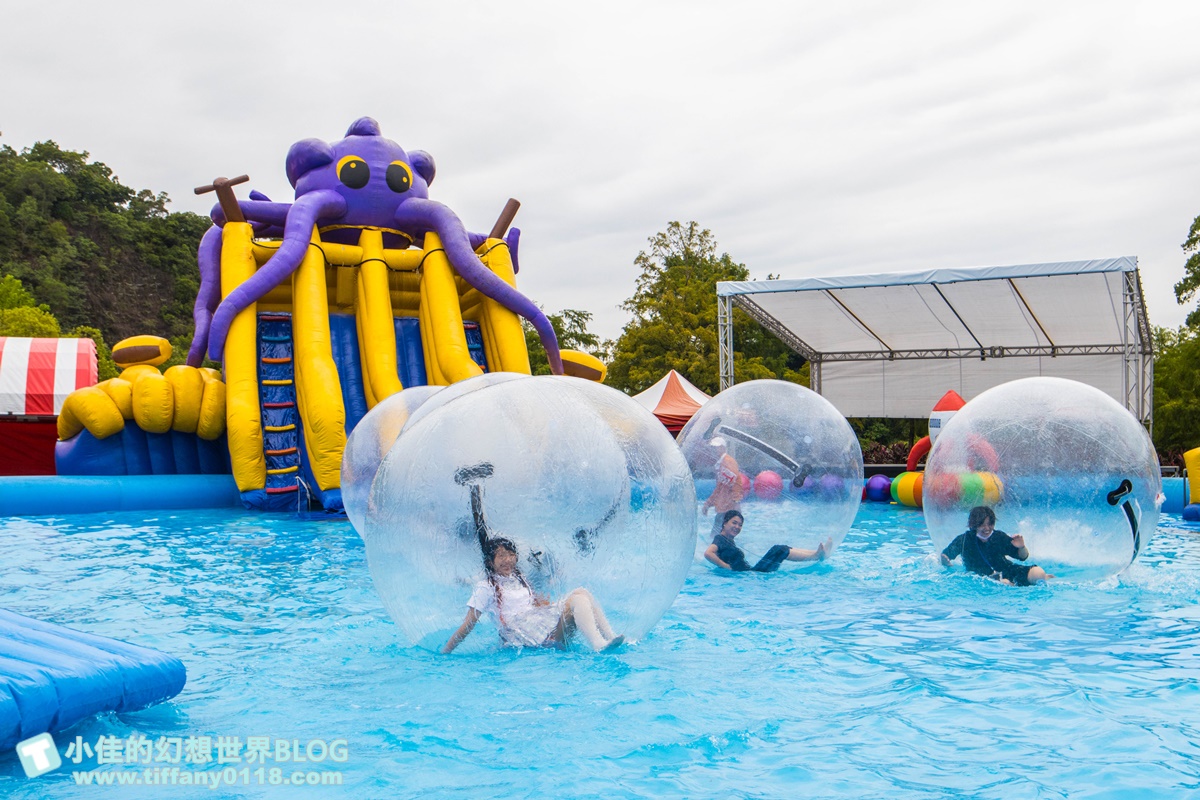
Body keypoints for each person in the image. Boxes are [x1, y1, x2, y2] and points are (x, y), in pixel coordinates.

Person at [442, 537, 624, 653]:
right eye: (501, 556)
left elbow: (527, 607)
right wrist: (446, 652)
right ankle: (598, 645)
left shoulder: (518, 578)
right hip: (535, 639)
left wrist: (541, 605)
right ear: (490, 562)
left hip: (539, 624)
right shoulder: (485, 587)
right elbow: (469, 623)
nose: (508, 560)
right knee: (577, 600)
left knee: (582, 591)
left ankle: (609, 636)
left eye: (511, 555)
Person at [940, 506, 1052, 585]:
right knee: (1004, 583)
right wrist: (946, 562)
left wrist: (1021, 547)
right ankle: (1012, 584)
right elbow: (946, 555)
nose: (987, 528)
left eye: (990, 524)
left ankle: (1041, 577)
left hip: (1006, 570)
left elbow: (1022, 557)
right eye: (982, 525)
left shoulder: (999, 537)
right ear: (973, 524)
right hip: (983, 577)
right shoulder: (964, 540)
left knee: (1038, 573)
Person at [704, 510, 831, 573]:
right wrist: (725, 566)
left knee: (782, 548)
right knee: (779, 550)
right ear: (725, 523)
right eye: (734, 523)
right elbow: (708, 553)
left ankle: (817, 552)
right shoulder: (720, 539)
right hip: (753, 575)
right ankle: (815, 556)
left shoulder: (728, 541)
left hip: (751, 573)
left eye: (740, 525)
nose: (737, 527)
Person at [701, 437, 744, 536]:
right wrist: (708, 503)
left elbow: (735, 483)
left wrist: (736, 501)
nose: (714, 450)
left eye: (716, 447)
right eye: (713, 447)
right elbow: (720, 487)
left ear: (723, 448)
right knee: (720, 536)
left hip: (727, 508)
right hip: (725, 507)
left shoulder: (727, 462)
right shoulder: (722, 462)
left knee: (716, 536)